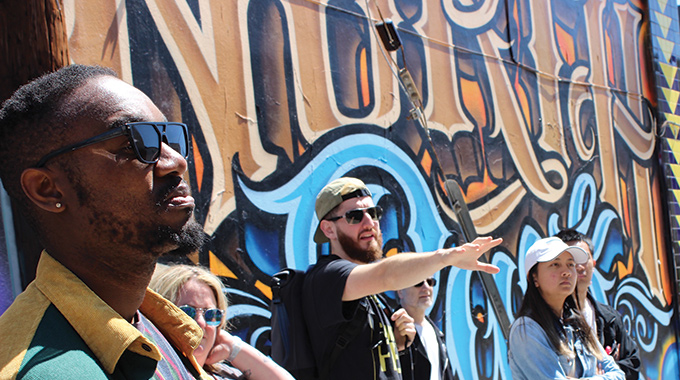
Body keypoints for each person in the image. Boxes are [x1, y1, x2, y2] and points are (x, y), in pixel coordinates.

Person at [0, 64, 210, 379]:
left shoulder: (154, 326)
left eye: (169, 138)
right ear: (48, 189)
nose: (177, 162)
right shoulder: (45, 371)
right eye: (133, 142)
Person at [303, 177, 502, 380]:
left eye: (373, 213)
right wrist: (446, 257)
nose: (369, 223)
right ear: (328, 229)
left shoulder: (367, 293)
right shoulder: (327, 277)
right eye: (354, 216)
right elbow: (387, 275)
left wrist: (395, 345)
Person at [150, 264, 295, 380]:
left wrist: (234, 348)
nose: (201, 322)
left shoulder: (226, 375)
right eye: (188, 312)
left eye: (211, 314)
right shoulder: (147, 371)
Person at [508, 237, 625, 379]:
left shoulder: (577, 322)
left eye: (570, 265)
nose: (566, 272)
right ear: (534, 278)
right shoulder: (527, 329)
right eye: (555, 265)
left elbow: (619, 375)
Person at [555, 229, 641, 380]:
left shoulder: (610, 318)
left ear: (593, 264)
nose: (578, 266)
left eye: (583, 258)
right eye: (569, 261)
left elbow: (632, 366)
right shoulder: (547, 318)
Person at [396, 276, 455, 380]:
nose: (426, 287)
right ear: (400, 291)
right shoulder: (392, 329)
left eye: (430, 282)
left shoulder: (434, 331)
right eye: (418, 282)